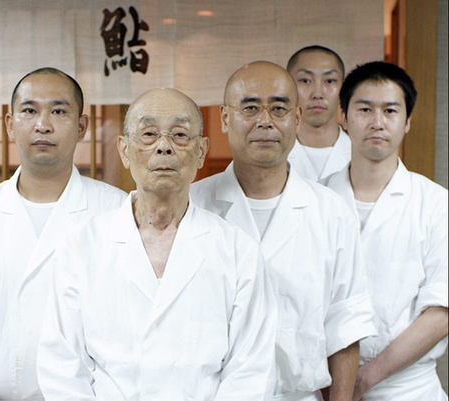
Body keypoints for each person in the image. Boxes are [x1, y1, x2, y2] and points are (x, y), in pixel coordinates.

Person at [36, 88, 278, 400]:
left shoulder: (237, 251)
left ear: (201, 151)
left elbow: (251, 371)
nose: (164, 147)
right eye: (149, 134)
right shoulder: (82, 247)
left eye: (180, 135)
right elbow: (62, 366)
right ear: (124, 150)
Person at [0, 67, 126, 400]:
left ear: (81, 126)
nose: (42, 124)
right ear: (9, 123)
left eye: (58, 111)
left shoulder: (116, 211)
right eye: (29, 110)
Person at [191, 61, 376, 401]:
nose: (265, 121)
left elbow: (345, 325)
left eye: (278, 108)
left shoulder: (331, 212)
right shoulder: (192, 205)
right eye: (250, 108)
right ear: (225, 118)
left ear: (297, 117)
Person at [326, 61, 448, 401]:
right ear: (343, 117)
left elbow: (442, 312)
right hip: (325, 385)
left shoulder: (437, 203)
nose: (377, 122)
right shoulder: (315, 199)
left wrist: (362, 380)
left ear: (407, 121)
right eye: (365, 109)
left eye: (390, 110)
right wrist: (339, 385)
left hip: (409, 389)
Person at [286, 45, 350, 183]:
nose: (317, 93)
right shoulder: (271, 155)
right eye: (305, 81)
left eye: (329, 81)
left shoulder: (359, 154)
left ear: (344, 88)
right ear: (287, 85)